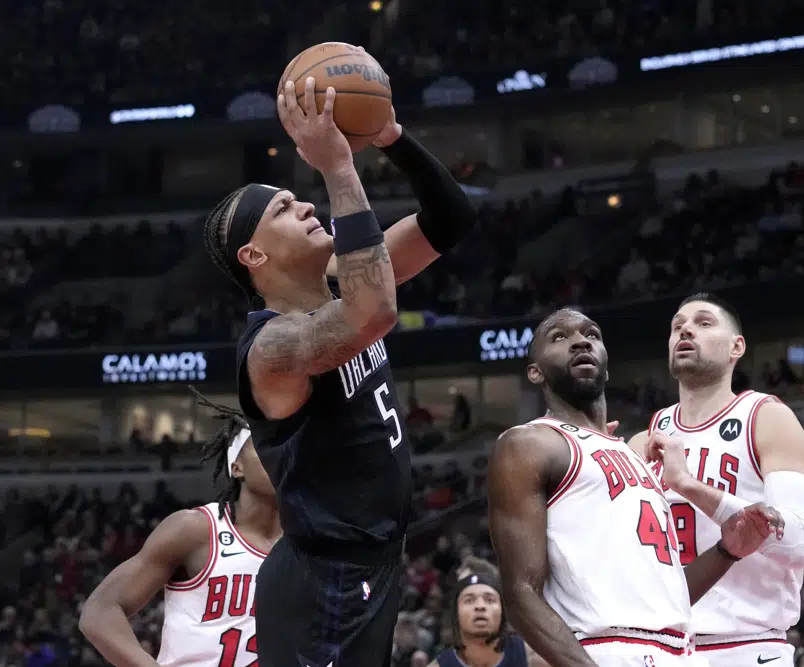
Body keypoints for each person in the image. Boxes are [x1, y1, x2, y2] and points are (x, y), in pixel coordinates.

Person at [201, 66, 477, 667]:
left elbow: (451, 218)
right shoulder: (273, 350)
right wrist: (337, 166)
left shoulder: (337, 283)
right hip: (323, 579)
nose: (302, 203)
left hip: (371, 564)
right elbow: (374, 312)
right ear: (255, 255)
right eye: (281, 208)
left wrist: (390, 137)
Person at [487, 308, 784, 667]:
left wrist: (727, 550)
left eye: (591, 334)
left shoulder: (633, 456)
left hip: (681, 651)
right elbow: (521, 595)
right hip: (606, 650)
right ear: (535, 372)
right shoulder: (529, 444)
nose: (581, 341)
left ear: (607, 366)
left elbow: (665, 598)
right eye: (559, 337)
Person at [628, 292, 804, 667]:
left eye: (703, 322)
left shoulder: (765, 418)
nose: (686, 330)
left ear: (737, 347)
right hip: (660, 649)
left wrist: (690, 487)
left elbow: (798, 543)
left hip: (746, 646)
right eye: (677, 326)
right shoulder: (642, 441)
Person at [79, 393, 281, 667]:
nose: (278, 455)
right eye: (264, 446)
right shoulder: (196, 529)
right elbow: (99, 611)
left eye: (284, 447)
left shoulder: (313, 542)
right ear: (237, 467)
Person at [431, 571, 528, 667]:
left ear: (503, 612)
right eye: (469, 600)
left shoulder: (533, 658)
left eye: (490, 600)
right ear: (456, 614)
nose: (480, 606)